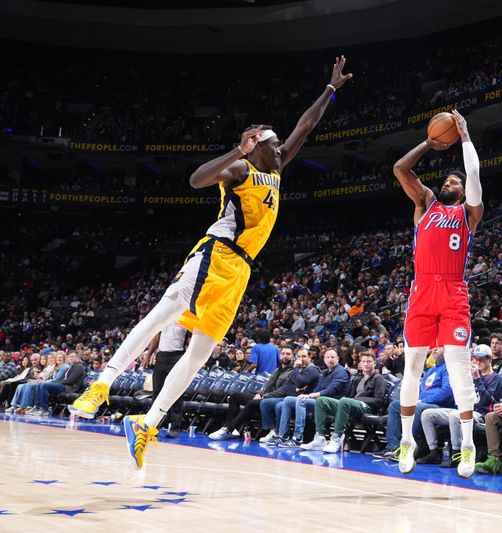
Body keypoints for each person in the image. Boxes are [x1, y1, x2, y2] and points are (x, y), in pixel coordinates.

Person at [67, 56, 353, 469]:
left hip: (239, 271)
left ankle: (148, 422)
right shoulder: (241, 169)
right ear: (260, 148)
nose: (283, 149)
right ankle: (102, 383)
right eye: (275, 145)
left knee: (199, 355)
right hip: (215, 254)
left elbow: (305, 126)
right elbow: (197, 180)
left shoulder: (275, 169)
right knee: (162, 315)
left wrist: (330, 90)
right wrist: (239, 148)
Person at [392, 109, 484, 478]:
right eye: (445, 180)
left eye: (453, 182)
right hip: (422, 290)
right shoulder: (425, 203)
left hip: (453, 291)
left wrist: (463, 136)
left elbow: (474, 174)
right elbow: (401, 169)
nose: (448, 183)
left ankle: (467, 445)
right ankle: (406, 442)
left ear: (462, 192)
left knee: (459, 371)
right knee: (412, 368)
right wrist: (429, 143)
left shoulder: (469, 213)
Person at [418, 344, 502, 467]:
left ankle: (456, 452)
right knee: (427, 414)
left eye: (481, 359)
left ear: (489, 359)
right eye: (475, 358)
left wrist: (477, 379)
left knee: (455, 415)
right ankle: (433, 451)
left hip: (482, 413)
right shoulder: (469, 374)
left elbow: (486, 401)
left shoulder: (496, 378)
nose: (478, 362)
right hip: (464, 409)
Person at [301, 351, 386, 453]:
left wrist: (355, 400)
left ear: (375, 363)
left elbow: (379, 400)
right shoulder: (358, 379)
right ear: (360, 364)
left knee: (345, 401)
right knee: (321, 400)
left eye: (369, 361)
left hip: (368, 408)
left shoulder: (378, 378)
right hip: (352, 405)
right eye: (363, 361)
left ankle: (336, 438)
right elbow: (351, 396)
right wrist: (351, 400)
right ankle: (319, 438)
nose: (366, 364)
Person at [209, 346, 294, 441]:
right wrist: (259, 393)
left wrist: (263, 396)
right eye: (283, 354)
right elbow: (267, 386)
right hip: (266, 396)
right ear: (279, 355)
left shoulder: (293, 371)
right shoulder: (277, 370)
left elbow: (283, 391)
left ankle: (228, 429)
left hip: (278, 399)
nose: (285, 356)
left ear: (292, 356)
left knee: (252, 403)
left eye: (288, 354)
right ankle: (233, 429)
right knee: (235, 396)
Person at [276, 348, 350, 448]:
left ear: (338, 359)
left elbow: (330, 390)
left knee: (301, 402)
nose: (330, 359)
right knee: (288, 400)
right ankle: (282, 435)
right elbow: (317, 389)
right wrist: (306, 394)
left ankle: (297, 438)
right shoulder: (324, 372)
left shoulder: (341, 372)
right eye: (327, 357)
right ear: (324, 359)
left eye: (333, 357)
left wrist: (309, 395)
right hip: (320, 402)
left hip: (334, 404)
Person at [144, 323, 188, 438]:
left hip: (177, 357)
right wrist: (148, 355)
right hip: (161, 356)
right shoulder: (167, 317)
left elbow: (190, 342)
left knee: (176, 394)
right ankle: (154, 426)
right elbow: (156, 337)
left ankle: (175, 428)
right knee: (157, 393)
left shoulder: (187, 319)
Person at [31, 351, 85, 416]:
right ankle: (37, 407)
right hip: (64, 385)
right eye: (69, 357)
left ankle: (44, 409)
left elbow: (70, 381)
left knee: (44, 385)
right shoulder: (72, 366)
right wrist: (56, 382)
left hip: (69, 388)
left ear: (77, 357)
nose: (71, 358)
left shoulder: (79, 367)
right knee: (39, 385)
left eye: (73, 357)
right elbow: (63, 378)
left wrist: (58, 382)